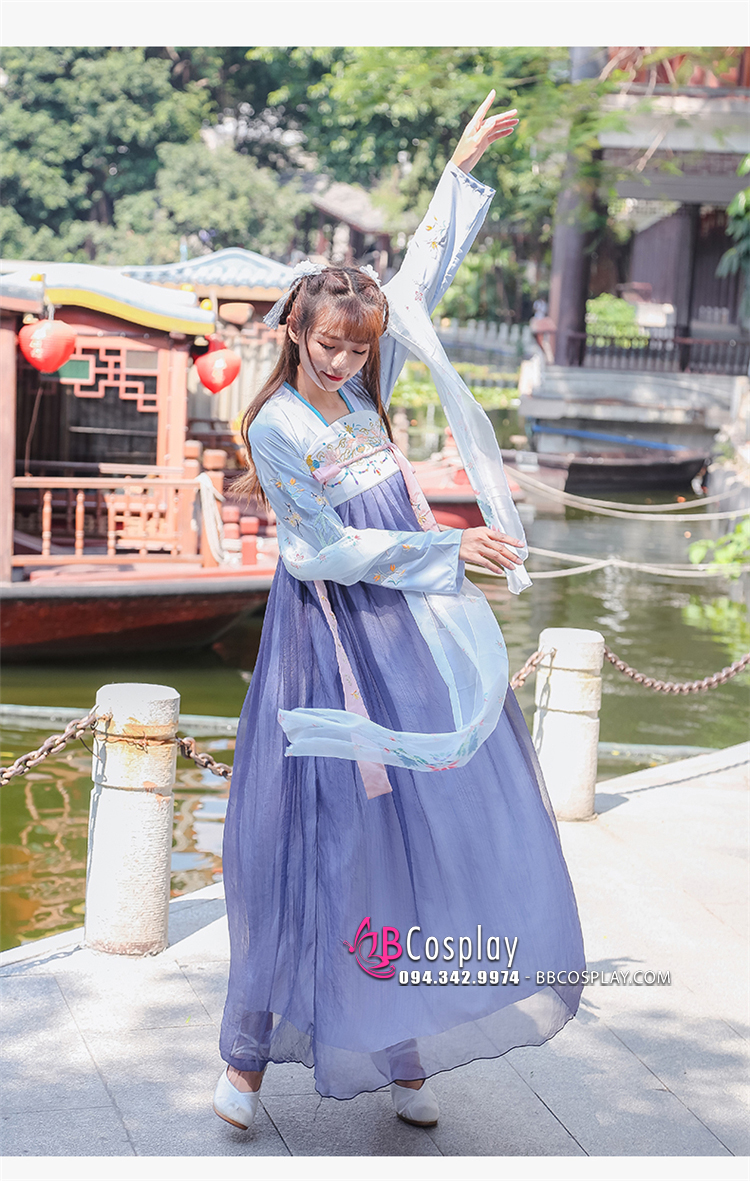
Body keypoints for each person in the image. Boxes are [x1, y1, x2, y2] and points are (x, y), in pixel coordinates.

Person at [213, 92, 585, 1133]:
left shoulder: (370, 384)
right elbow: (318, 549)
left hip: (403, 634)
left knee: (412, 829)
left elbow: (418, 280)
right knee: (307, 837)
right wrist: (446, 548)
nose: (344, 360)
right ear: (296, 327)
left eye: (358, 346)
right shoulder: (278, 425)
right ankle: (245, 1055)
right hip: (328, 642)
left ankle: (402, 1042)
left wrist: (459, 173)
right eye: (330, 345)